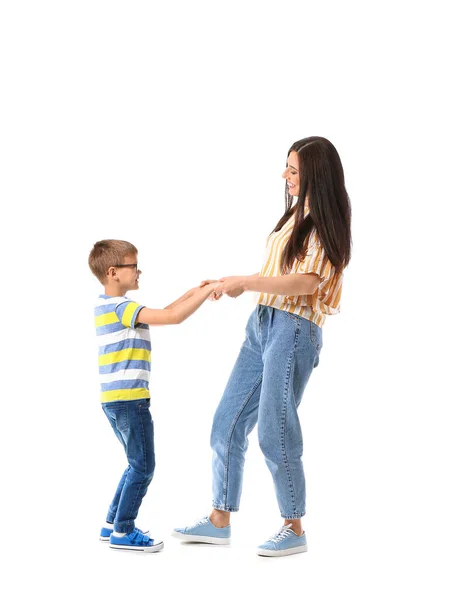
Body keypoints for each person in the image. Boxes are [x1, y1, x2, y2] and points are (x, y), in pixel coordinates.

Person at [172, 136, 352, 557]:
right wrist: (228, 284)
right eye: (286, 167)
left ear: (315, 175)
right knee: (226, 422)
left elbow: (306, 284)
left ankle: (294, 526)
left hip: (293, 328)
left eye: (293, 169)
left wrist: (246, 282)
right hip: (263, 323)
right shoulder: (294, 216)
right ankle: (219, 519)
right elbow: (278, 273)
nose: (285, 176)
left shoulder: (326, 220)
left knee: (275, 431)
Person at [88, 239, 219, 552]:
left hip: (114, 400)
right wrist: (203, 294)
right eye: (133, 266)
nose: (138, 271)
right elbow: (173, 317)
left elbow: (168, 310)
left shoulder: (107, 305)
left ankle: (112, 523)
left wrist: (196, 290)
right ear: (113, 272)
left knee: (134, 464)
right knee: (143, 468)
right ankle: (123, 530)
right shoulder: (123, 308)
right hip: (130, 400)